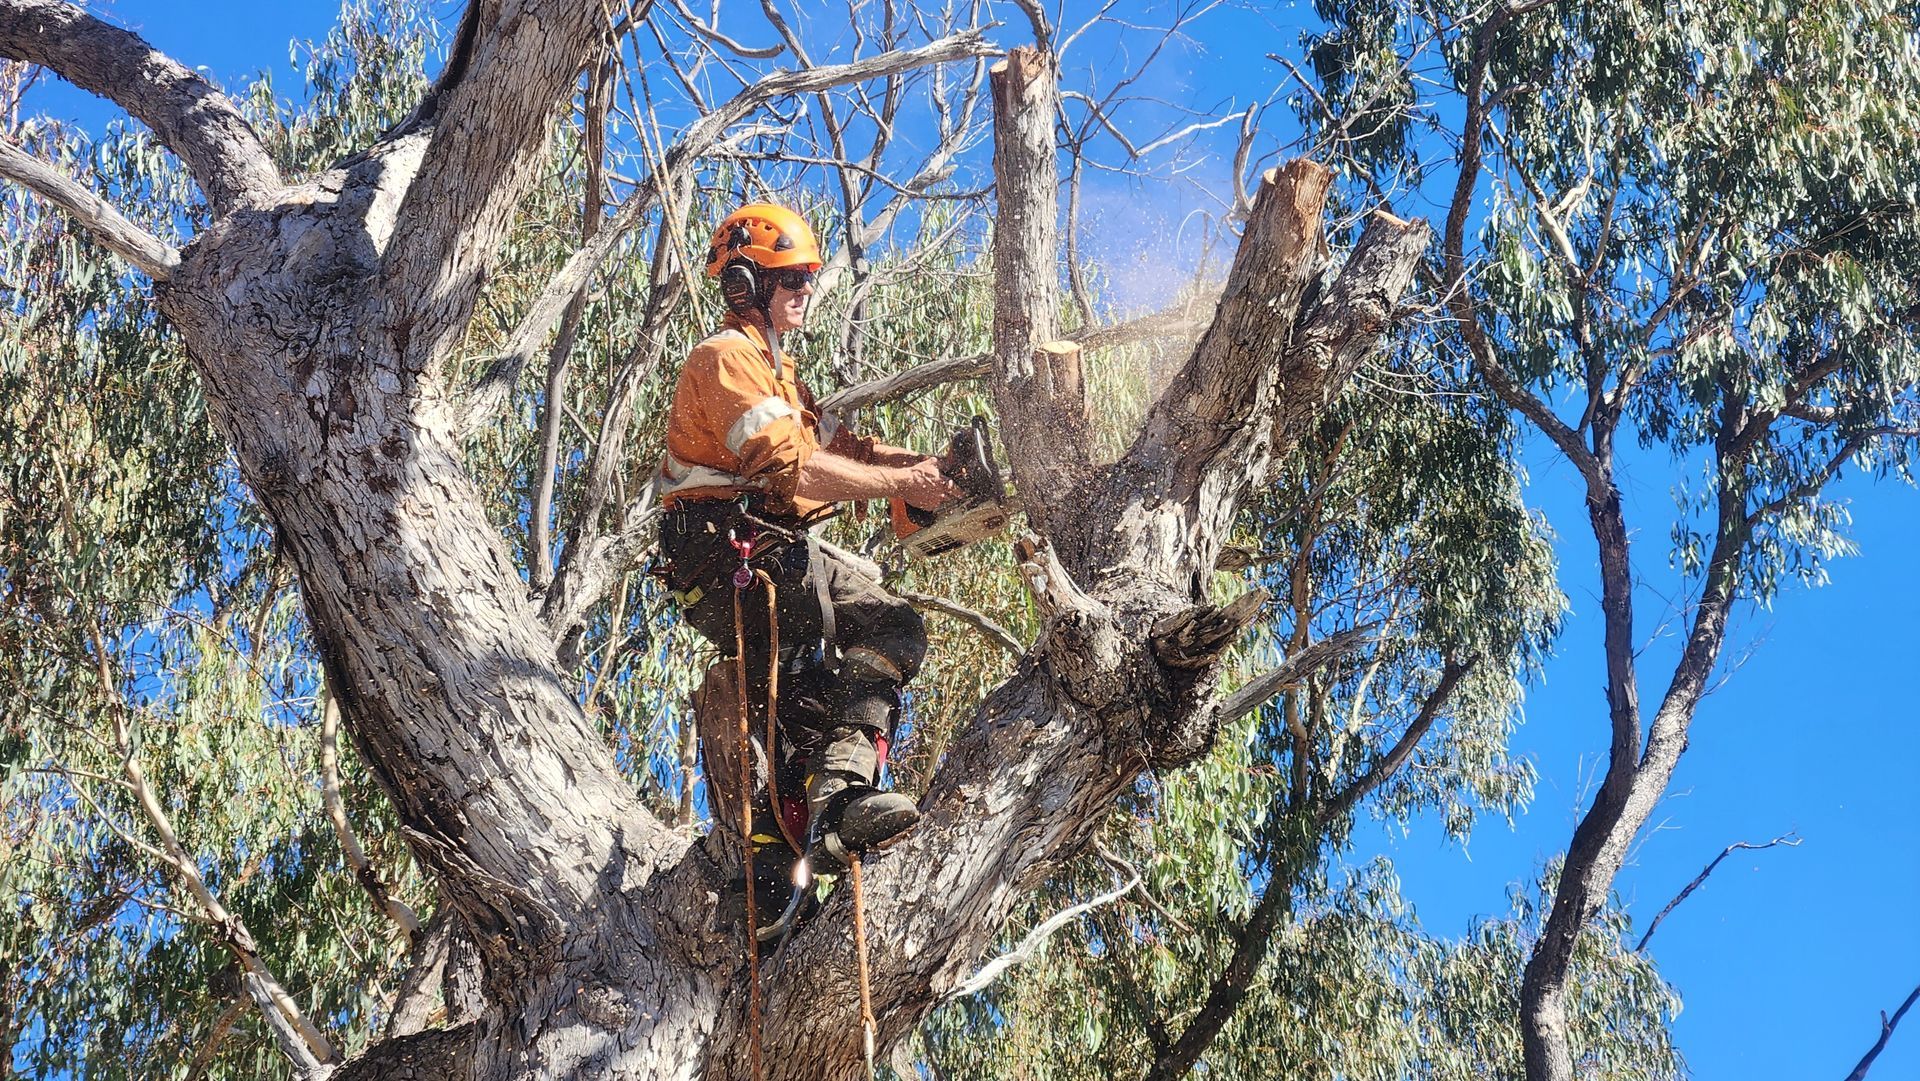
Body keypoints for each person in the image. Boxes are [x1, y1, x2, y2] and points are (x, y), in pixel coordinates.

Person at [655, 203, 959, 911]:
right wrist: (901, 483)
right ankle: (820, 812)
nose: (805, 288)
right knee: (849, 653)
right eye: (790, 276)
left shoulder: (778, 376)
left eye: (809, 275)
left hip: (761, 557)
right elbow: (796, 472)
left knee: (848, 666)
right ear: (743, 283)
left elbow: (836, 453)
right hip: (734, 554)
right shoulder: (723, 358)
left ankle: (804, 837)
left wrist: (925, 472)